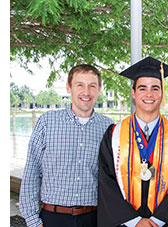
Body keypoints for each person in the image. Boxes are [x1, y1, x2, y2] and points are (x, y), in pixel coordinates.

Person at [98, 56, 168, 227]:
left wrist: (157, 220)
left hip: (163, 223)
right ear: (133, 93)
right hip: (124, 223)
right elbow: (106, 181)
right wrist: (133, 221)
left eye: (155, 88)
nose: (149, 94)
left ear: (162, 93)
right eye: (142, 88)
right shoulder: (114, 134)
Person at [19, 64, 114, 227]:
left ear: (99, 90)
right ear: (69, 87)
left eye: (92, 86)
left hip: (94, 218)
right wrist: (33, 222)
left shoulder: (108, 127)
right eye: (80, 85)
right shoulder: (47, 122)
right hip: (53, 218)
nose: (86, 92)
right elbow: (32, 173)